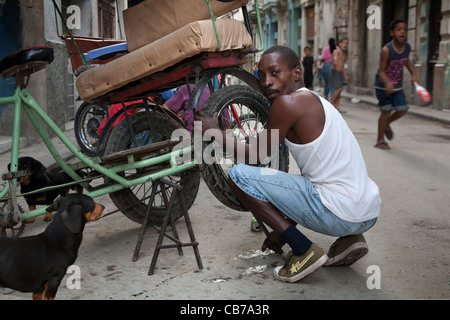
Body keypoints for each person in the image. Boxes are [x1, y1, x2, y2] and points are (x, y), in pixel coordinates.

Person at [194, 46, 380, 283]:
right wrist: (281, 231)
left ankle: (303, 251)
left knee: (240, 175)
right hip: (367, 214)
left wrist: (216, 132)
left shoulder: (287, 104)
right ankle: (350, 238)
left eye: (275, 73)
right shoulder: (317, 101)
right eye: (261, 76)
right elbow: (310, 187)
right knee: (312, 185)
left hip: (341, 213)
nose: (266, 82)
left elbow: (254, 157)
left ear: (296, 73)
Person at [374, 19, 418, 150]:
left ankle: (386, 124)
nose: (403, 32)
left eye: (405, 29)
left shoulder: (407, 47)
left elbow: (406, 61)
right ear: (392, 33)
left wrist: (414, 74)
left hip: (397, 85)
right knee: (386, 110)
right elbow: (381, 71)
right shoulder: (386, 50)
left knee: (402, 108)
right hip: (382, 86)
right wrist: (387, 83)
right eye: (399, 29)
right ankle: (380, 140)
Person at [329, 38, 349, 113]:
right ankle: (330, 106)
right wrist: (335, 60)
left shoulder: (344, 54)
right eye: (343, 42)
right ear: (339, 44)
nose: (345, 44)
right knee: (339, 89)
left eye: (347, 43)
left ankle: (336, 107)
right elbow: (335, 57)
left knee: (339, 91)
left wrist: (345, 76)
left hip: (340, 73)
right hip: (334, 72)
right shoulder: (336, 51)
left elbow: (343, 66)